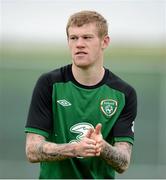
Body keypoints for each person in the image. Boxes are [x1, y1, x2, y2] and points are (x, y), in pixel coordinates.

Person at [25, 10, 137, 179]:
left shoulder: (123, 93)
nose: (79, 44)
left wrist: (102, 146)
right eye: (74, 38)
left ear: (104, 41)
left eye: (87, 37)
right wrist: (74, 149)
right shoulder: (49, 84)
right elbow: (32, 150)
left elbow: (123, 162)